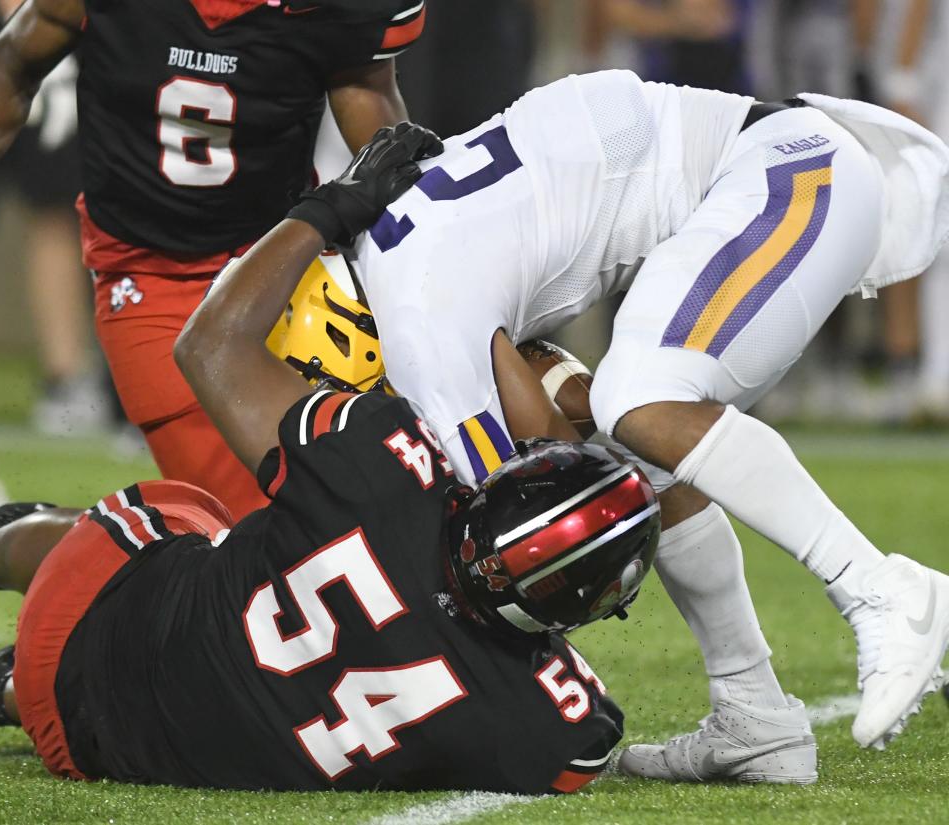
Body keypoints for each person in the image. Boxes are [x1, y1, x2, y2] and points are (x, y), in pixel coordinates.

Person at [248, 69, 949, 781]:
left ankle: (879, 587)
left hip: (790, 176)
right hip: (781, 169)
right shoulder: (393, 249)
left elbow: (526, 519)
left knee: (638, 398)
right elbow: (565, 454)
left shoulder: (416, 326)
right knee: (633, 431)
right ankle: (754, 711)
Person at [0, 124, 663, 793]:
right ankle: (4, 688)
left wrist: (331, 206)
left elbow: (209, 346)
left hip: (83, 609)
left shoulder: (375, 460)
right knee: (192, 705)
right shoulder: (564, 727)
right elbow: (570, 736)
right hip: (79, 738)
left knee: (191, 511)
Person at [0, 0, 426, 520]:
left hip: (282, 271)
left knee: (372, 495)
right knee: (246, 527)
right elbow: (11, 62)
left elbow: (375, 116)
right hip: (150, 275)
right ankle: (15, 544)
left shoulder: (333, 10)